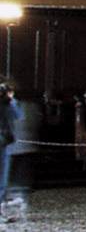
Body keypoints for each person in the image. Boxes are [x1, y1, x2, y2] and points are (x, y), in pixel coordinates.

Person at [0, 81, 22, 220]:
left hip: (4, 141)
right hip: (2, 141)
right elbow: (18, 115)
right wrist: (11, 99)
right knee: (2, 176)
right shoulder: (8, 103)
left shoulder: (7, 103)